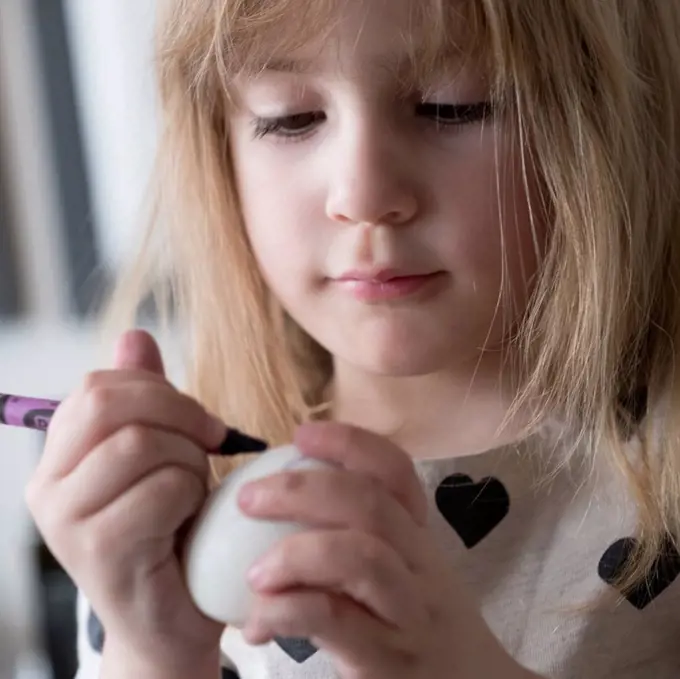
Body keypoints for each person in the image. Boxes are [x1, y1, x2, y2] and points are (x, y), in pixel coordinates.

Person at [25, 0, 680, 677]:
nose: (363, 193)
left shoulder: (659, 487)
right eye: (290, 117)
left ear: (609, 114)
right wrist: (152, 650)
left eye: (452, 106)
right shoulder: (174, 504)